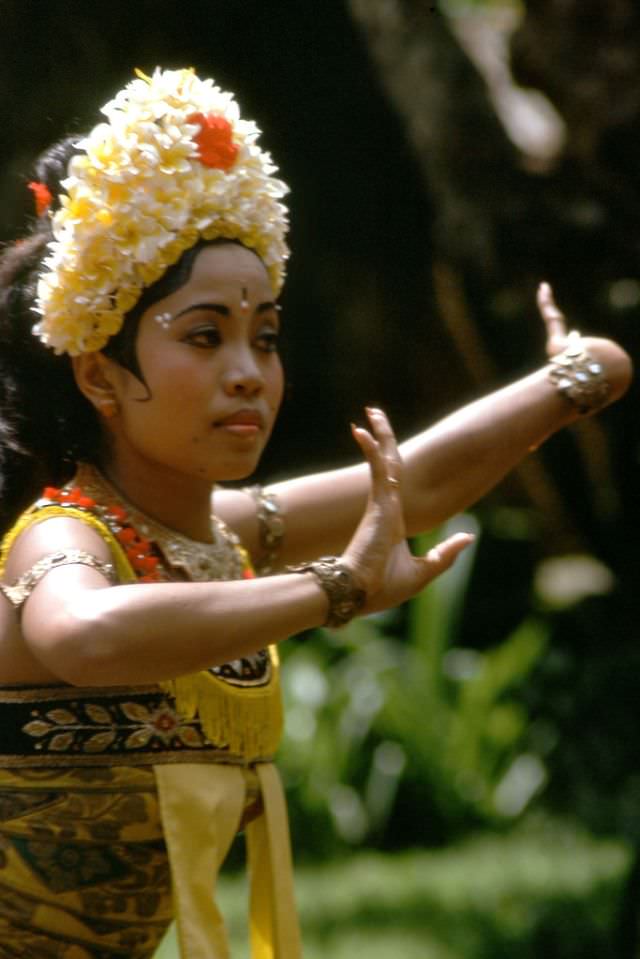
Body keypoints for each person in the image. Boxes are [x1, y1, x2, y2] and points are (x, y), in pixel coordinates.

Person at [0, 67, 631, 959]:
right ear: (99, 372)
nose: (248, 371)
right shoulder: (64, 537)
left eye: (265, 335)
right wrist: (331, 589)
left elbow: (418, 482)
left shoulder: (216, 533)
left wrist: (572, 379)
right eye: (204, 335)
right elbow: (85, 633)